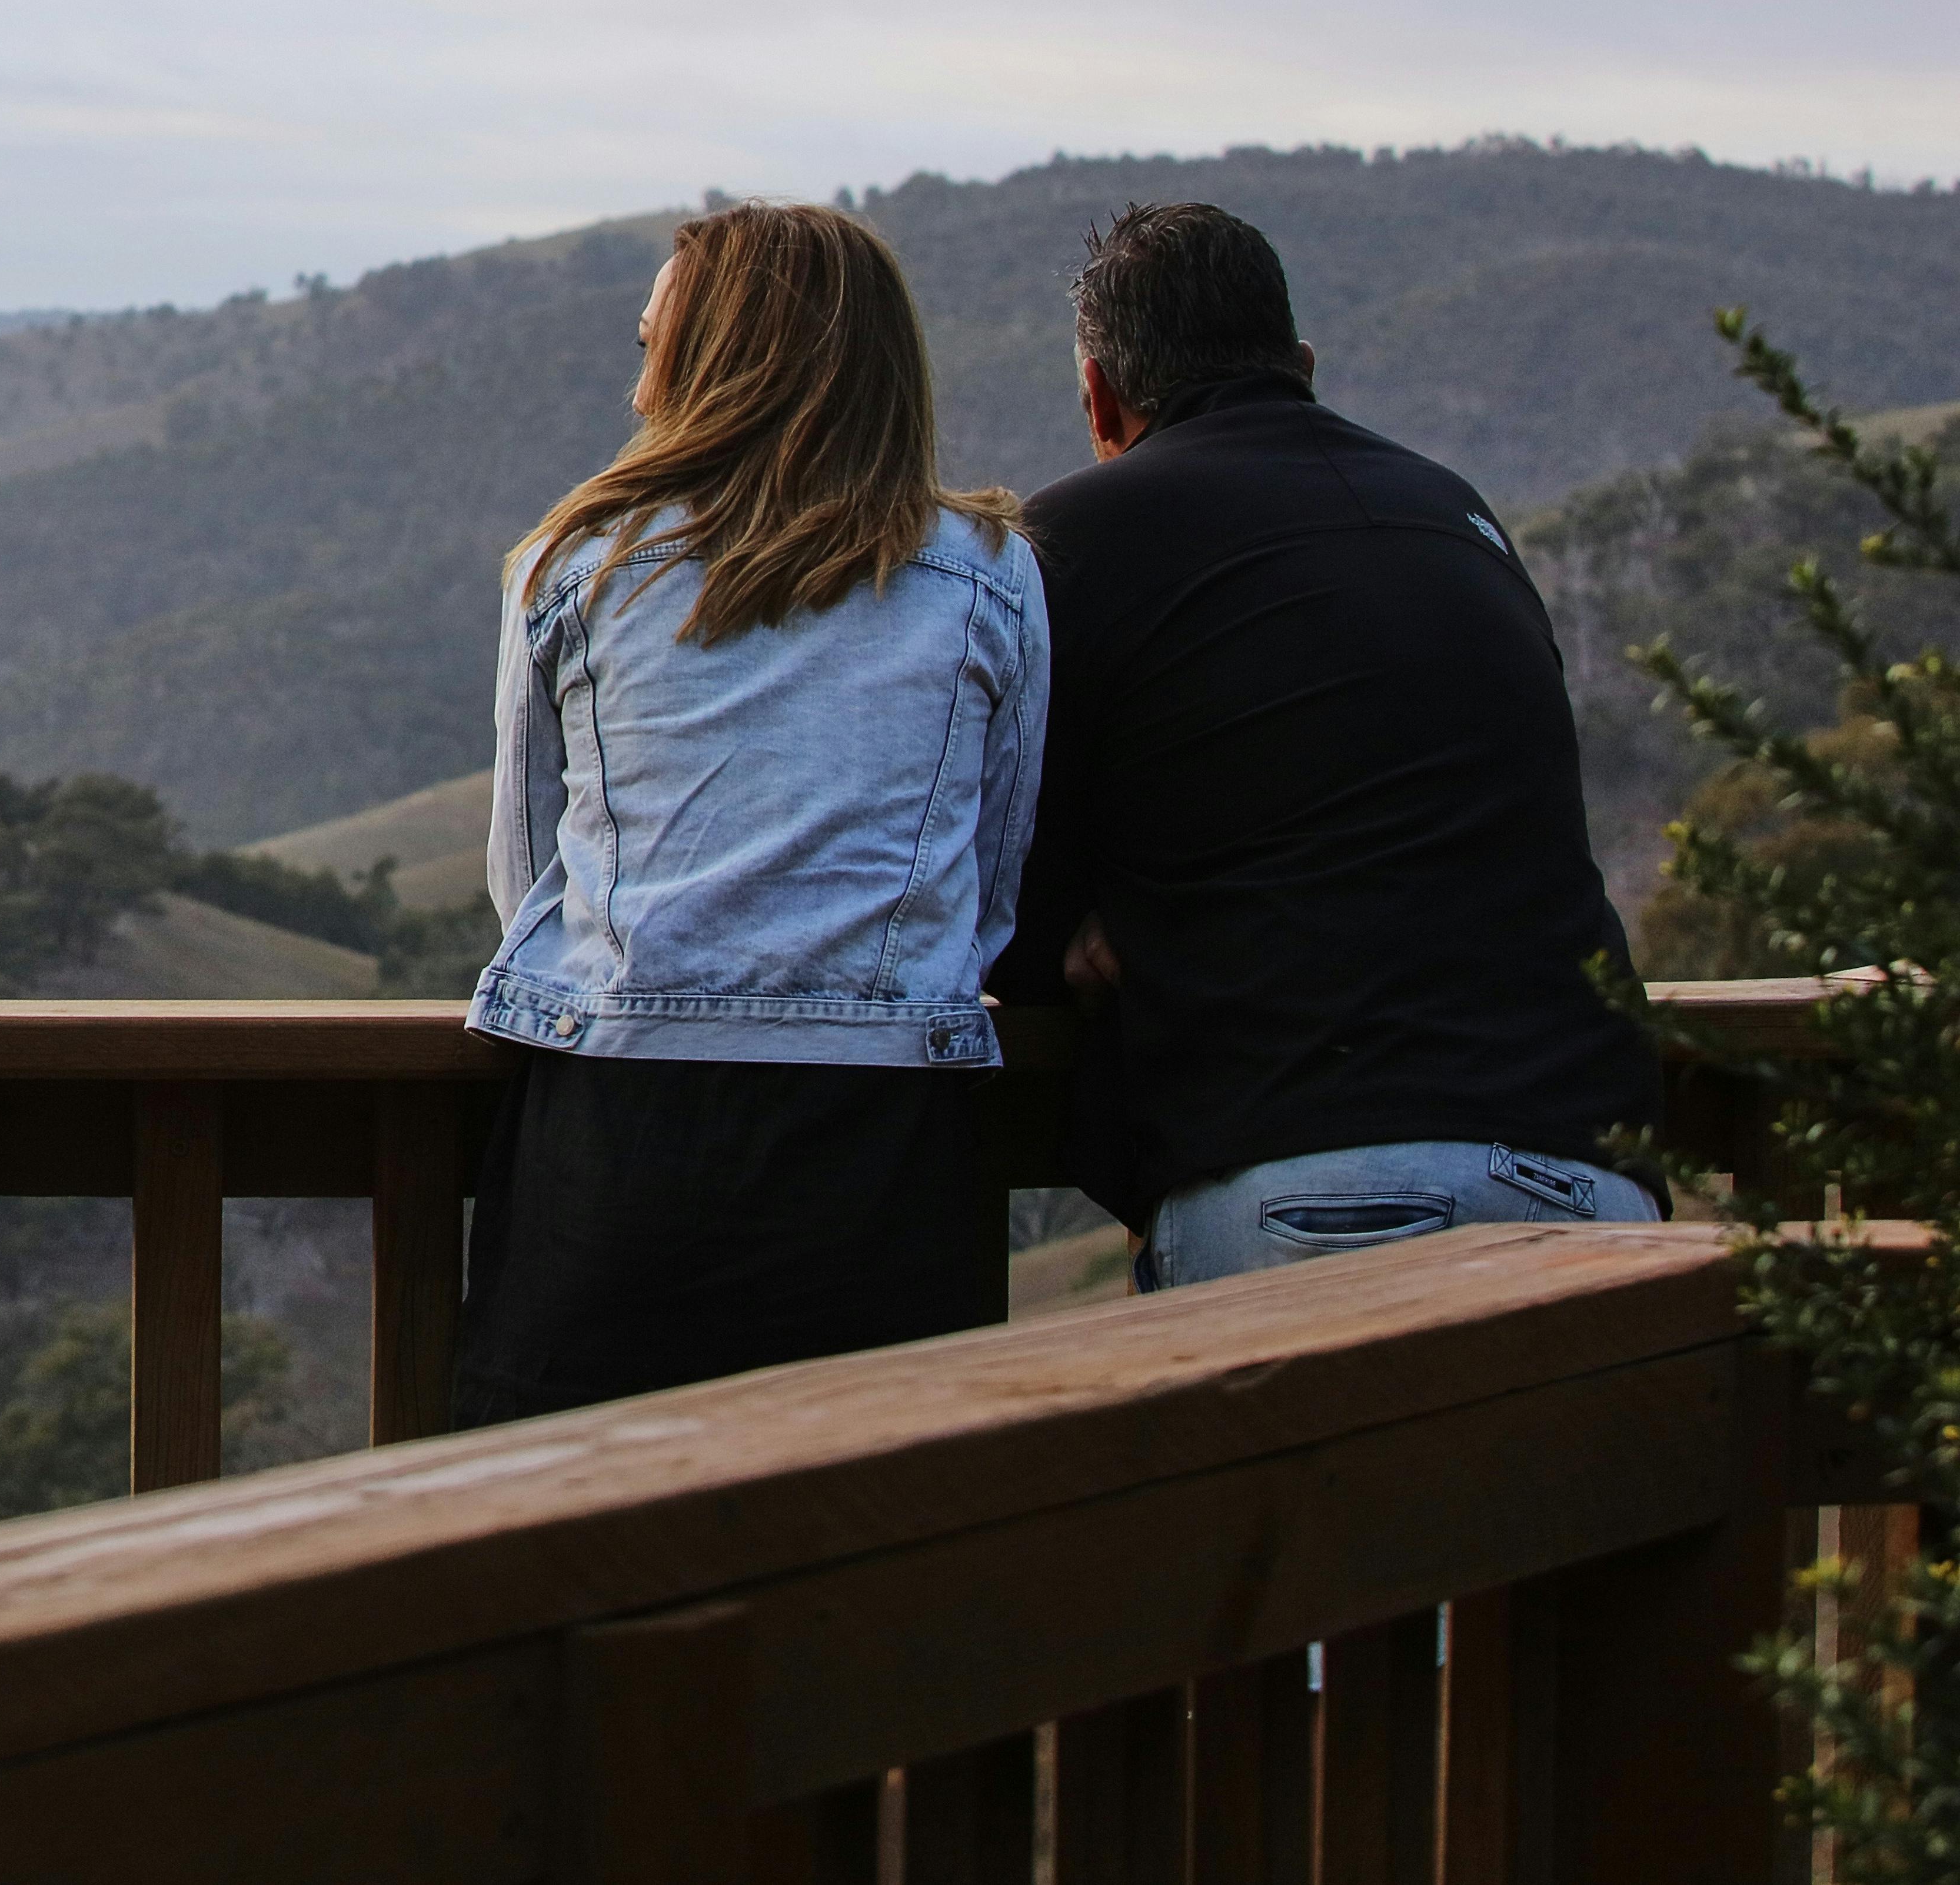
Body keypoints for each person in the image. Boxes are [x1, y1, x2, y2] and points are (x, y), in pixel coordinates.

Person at [451, 201, 1050, 1425]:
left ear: (718, 361)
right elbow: (989, 895)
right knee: (870, 1554)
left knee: (572, 1536)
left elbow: (526, 886)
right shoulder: (986, 573)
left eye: (649, 348)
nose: (637, 393)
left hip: (619, 1141)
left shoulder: (575, 561)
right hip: (879, 1148)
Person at [992, 202, 1661, 1288]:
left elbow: (1006, 904)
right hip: (1598, 1168)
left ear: (1100, 397)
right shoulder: (1453, 514)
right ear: (1302, 364)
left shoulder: (1073, 540)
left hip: (1310, 1171)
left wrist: (1108, 931)